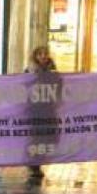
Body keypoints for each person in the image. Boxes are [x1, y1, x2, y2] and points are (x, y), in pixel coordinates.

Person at [24, 46, 58, 182]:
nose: (43, 56)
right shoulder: (29, 71)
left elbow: (59, 88)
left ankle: (37, 161)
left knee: (49, 137)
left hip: (49, 109)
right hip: (34, 110)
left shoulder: (54, 70)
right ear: (35, 56)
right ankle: (34, 165)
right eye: (40, 54)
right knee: (35, 138)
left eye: (45, 54)